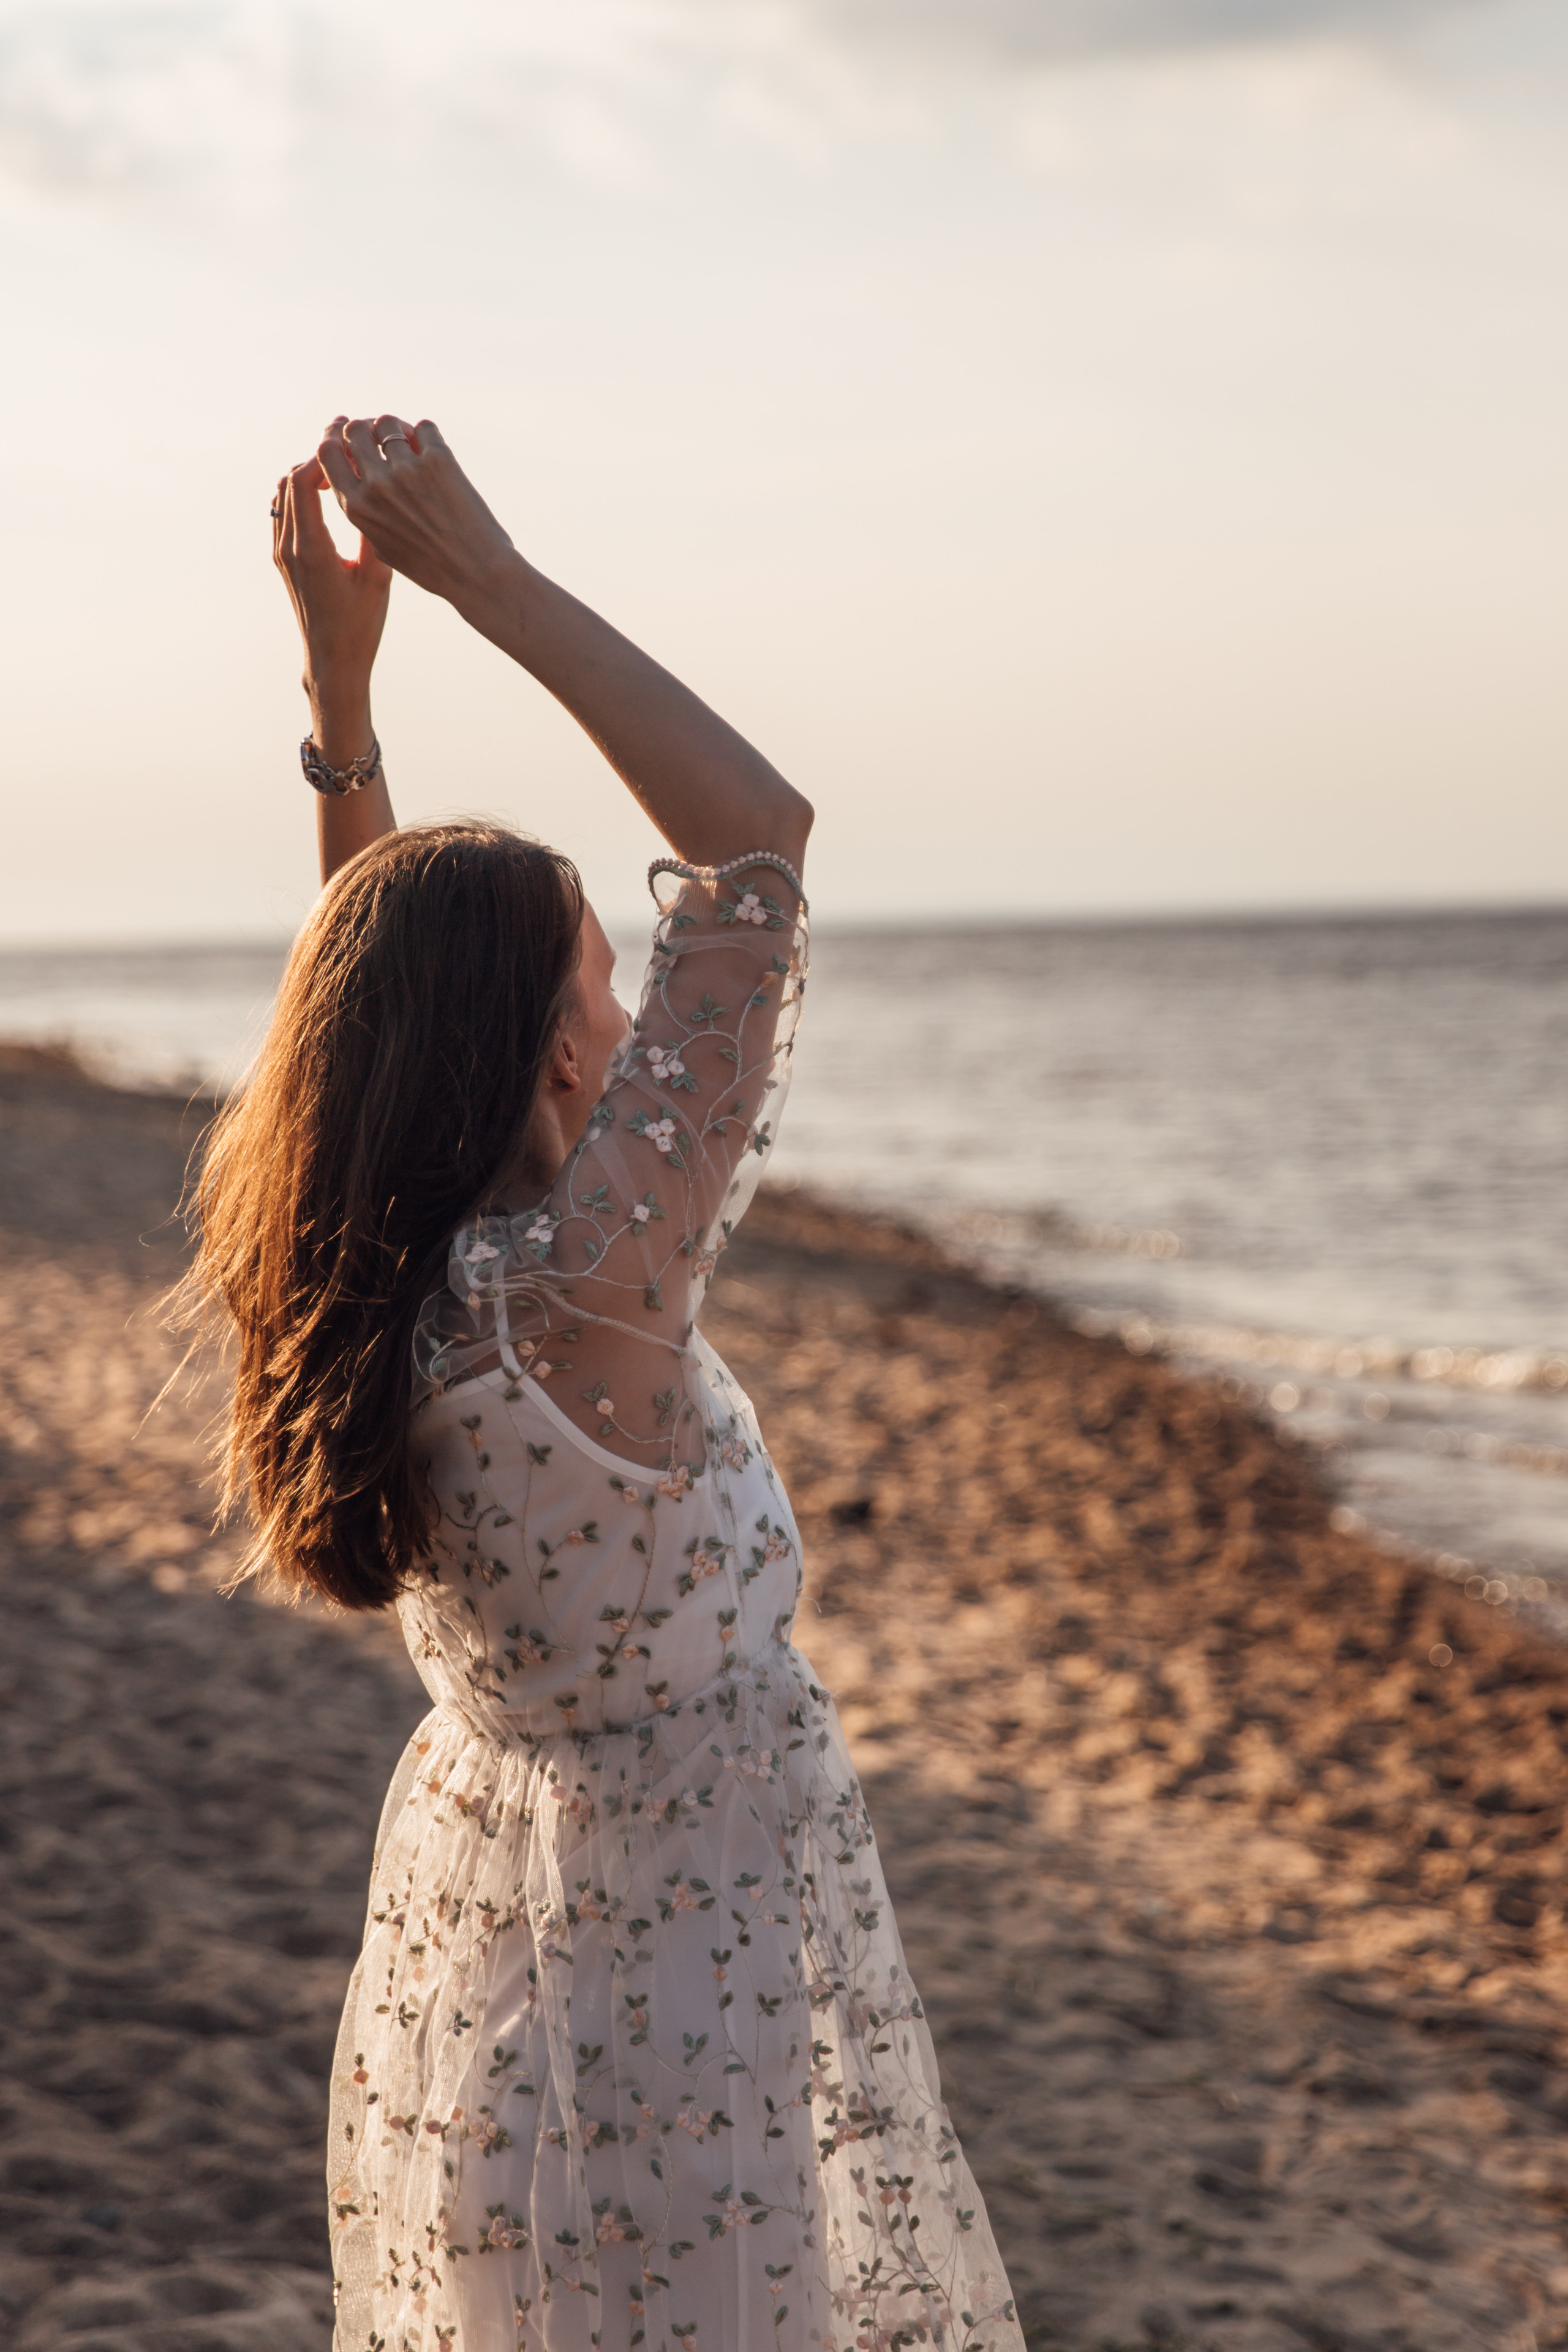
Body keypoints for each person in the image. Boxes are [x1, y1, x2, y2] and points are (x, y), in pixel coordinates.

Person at [189, 414, 1022, 2352]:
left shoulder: (381, 1288)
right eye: (605, 983)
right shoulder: (582, 1297)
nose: (645, 1026)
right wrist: (486, 578)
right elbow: (758, 850)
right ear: (561, 1065)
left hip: (496, 1978)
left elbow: (375, 1004)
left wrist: (343, 699)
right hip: (685, 1995)